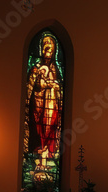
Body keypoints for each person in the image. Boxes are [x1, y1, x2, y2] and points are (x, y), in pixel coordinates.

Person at [27, 34, 63, 162]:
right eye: (46, 48)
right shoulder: (36, 68)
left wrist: (55, 86)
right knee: (39, 126)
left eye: (51, 50)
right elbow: (34, 86)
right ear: (42, 49)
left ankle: (49, 151)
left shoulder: (57, 70)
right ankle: (38, 149)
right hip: (39, 103)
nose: (48, 52)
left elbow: (59, 86)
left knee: (52, 124)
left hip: (52, 104)